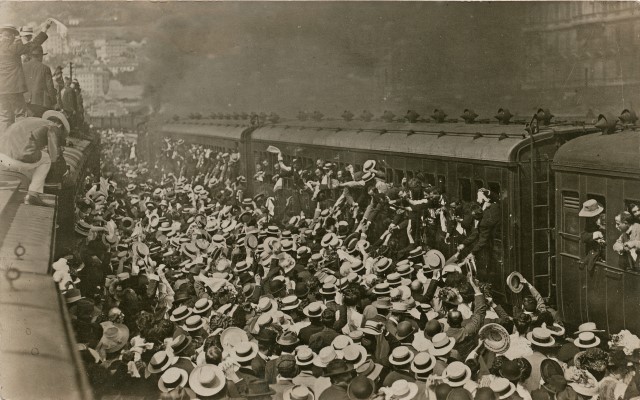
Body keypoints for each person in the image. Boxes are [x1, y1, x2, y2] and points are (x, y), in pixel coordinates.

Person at [0, 110, 68, 205]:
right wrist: (63, 170)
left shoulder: (33, 121)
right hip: (18, 156)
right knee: (46, 160)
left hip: (2, 154)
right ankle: (33, 194)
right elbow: (54, 156)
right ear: (60, 125)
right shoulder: (53, 127)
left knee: (36, 159)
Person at [0, 20, 52, 131]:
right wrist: (44, 30)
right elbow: (33, 45)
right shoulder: (14, 47)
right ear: (11, 35)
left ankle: (3, 140)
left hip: (1, 89)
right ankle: (20, 138)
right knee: (20, 114)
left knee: (5, 117)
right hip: (14, 88)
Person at [22, 45, 56, 116]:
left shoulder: (23, 67)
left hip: (26, 101)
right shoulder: (45, 68)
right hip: (40, 102)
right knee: (39, 121)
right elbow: (50, 87)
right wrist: (54, 102)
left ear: (31, 56)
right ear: (40, 56)